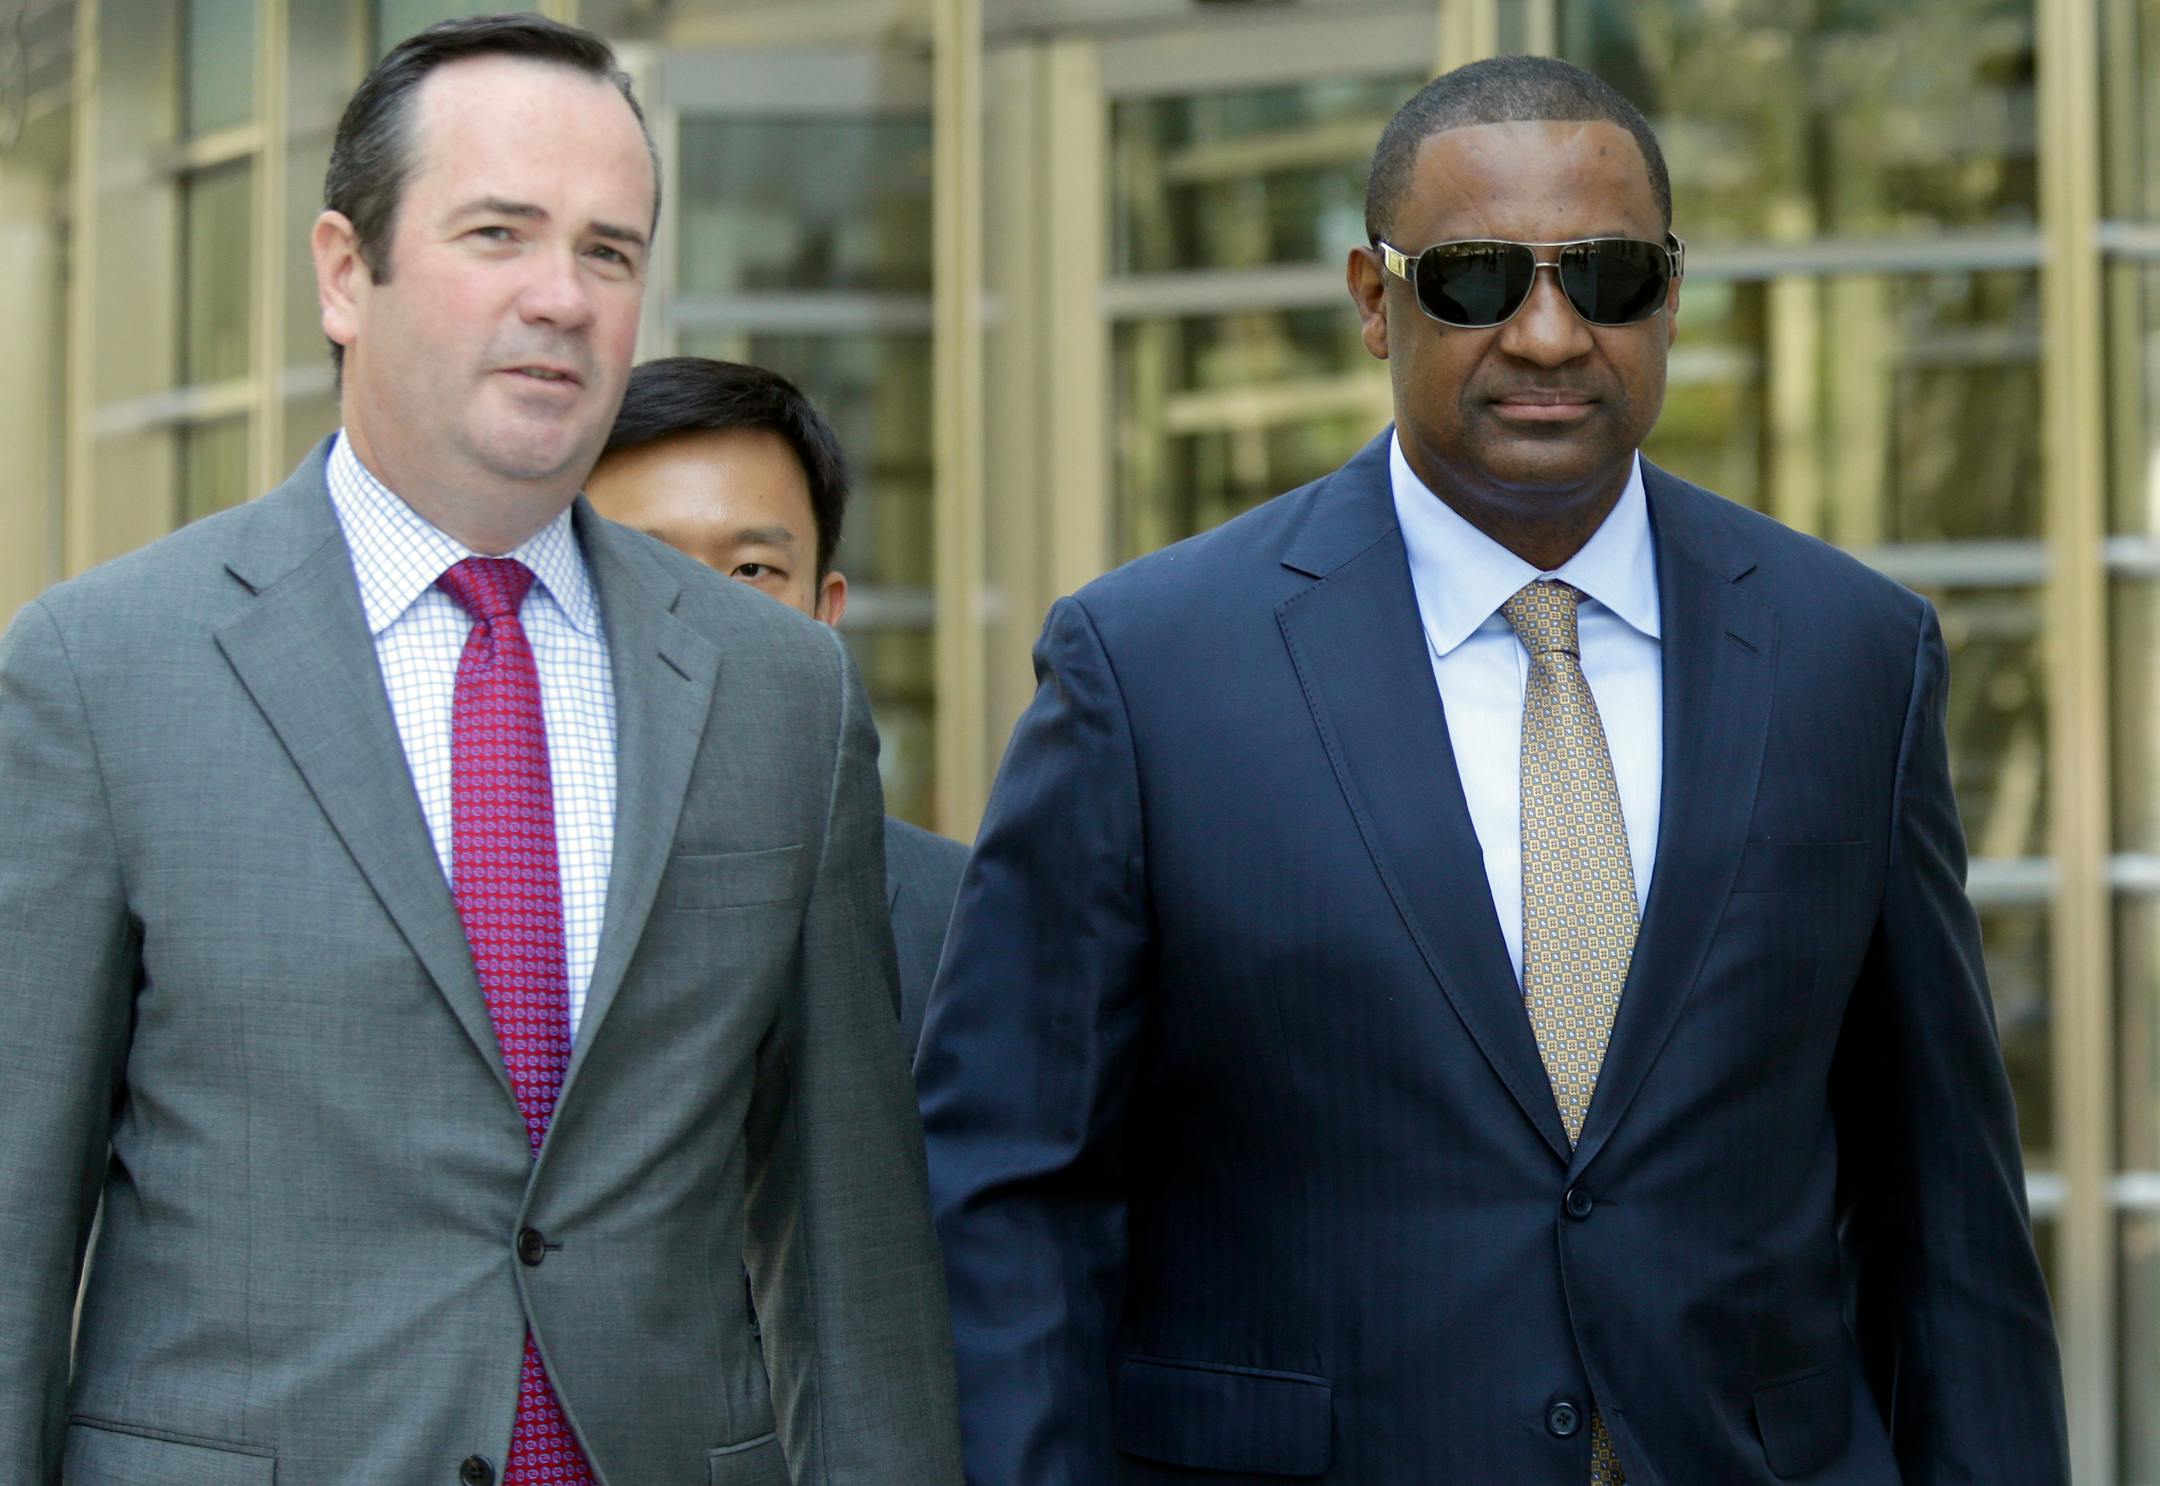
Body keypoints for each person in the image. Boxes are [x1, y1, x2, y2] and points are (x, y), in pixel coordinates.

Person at [916, 54, 2068, 1486]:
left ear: (1672, 294)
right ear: (1368, 296)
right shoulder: (1145, 670)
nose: (1546, 332)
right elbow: (1015, 1191)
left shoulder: (1855, 656)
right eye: (1472, 279)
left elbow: (1946, 1212)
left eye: (1607, 275)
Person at [0, 17, 961, 1486]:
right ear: (344, 270)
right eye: (497, 232)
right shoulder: (99, 672)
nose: (559, 298)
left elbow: (852, 1252)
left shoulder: (781, 693)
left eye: (609, 252)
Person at [587, 356, 969, 1056]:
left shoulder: (962, 916)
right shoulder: (501, 891)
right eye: (647, 567)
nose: (701, 624)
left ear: (825, 613)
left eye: (752, 571)